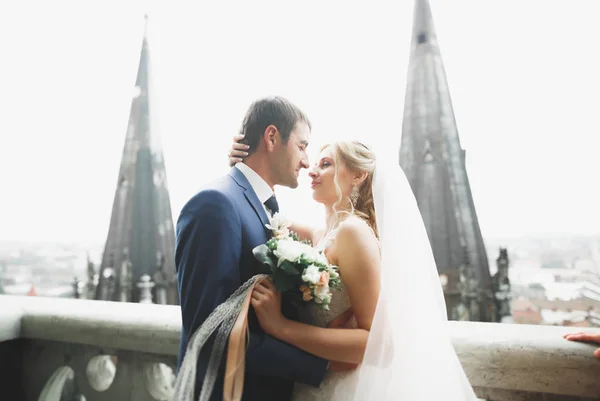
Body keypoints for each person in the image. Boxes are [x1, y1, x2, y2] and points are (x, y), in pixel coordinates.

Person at [228, 137, 478, 400]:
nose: (311, 171)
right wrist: (245, 166)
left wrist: (280, 326)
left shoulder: (353, 232)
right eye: (314, 164)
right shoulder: (324, 233)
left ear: (358, 176)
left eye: (325, 164)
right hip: (316, 383)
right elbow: (265, 214)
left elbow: (378, 342)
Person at [175, 96, 330, 401]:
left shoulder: (262, 208)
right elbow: (209, 333)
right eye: (301, 146)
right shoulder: (215, 204)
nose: (306, 161)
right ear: (272, 137)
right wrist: (322, 367)